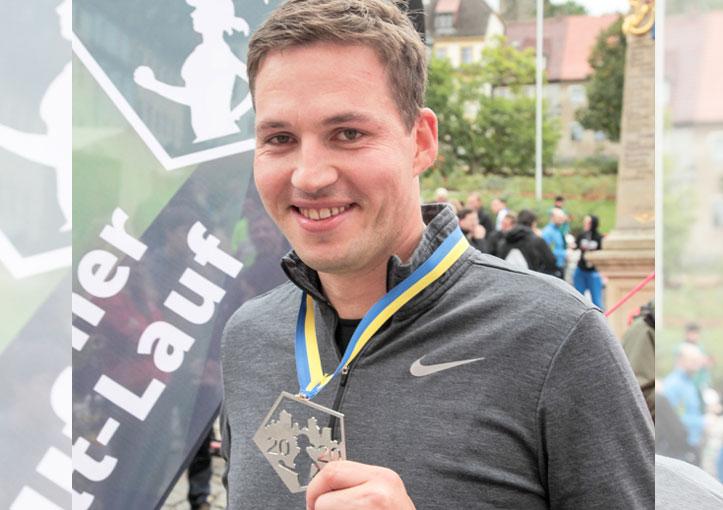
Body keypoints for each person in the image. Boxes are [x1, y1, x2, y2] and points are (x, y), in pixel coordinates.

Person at [220, 1, 653, 508]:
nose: (309, 175)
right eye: (279, 138)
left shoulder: (556, 338)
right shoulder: (248, 337)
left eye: (348, 134)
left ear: (421, 142)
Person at [663, 343, 708, 466]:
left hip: (693, 446)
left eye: (698, 359)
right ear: (681, 359)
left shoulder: (689, 382)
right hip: (681, 450)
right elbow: (672, 420)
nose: (698, 363)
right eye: (693, 359)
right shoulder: (674, 385)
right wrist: (703, 422)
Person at [496, 209, 557, 274]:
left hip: (506, 280)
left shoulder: (504, 240)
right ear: (533, 223)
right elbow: (551, 262)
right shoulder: (537, 241)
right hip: (531, 281)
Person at [573, 214, 604, 307]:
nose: (585, 224)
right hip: (581, 269)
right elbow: (576, 247)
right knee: (578, 297)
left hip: (594, 271)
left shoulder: (599, 237)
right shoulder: (582, 235)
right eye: (585, 222)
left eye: (588, 222)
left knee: (597, 300)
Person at [541, 207, 568, 279]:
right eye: (559, 217)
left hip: (559, 266)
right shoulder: (548, 232)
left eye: (562, 217)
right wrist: (565, 253)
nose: (562, 219)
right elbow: (546, 251)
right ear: (552, 217)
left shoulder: (558, 230)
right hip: (552, 269)